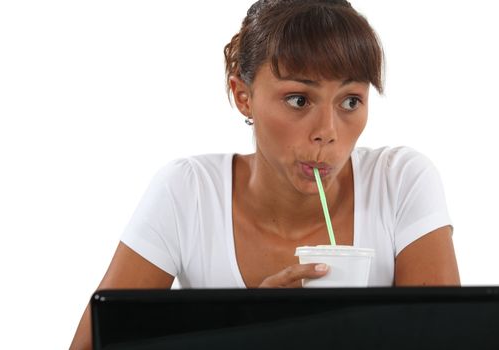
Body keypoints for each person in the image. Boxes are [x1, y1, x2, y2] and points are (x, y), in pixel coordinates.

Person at [70, 0, 460, 348]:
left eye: (350, 100)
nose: (327, 130)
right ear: (244, 96)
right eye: (298, 99)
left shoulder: (401, 181)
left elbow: (449, 338)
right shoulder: (187, 192)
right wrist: (247, 324)